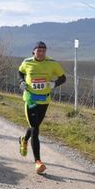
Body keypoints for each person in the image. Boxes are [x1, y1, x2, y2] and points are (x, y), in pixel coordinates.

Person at [18, 41, 66, 173]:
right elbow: (20, 72)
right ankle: (38, 162)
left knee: (35, 127)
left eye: (43, 51)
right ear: (33, 51)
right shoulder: (27, 62)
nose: (41, 53)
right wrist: (21, 81)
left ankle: (24, 140)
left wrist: (54, 84)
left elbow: (63, 78)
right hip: (30, 100)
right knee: (35, 130)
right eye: (38, 51)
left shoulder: (53, 63)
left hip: (44, 100)